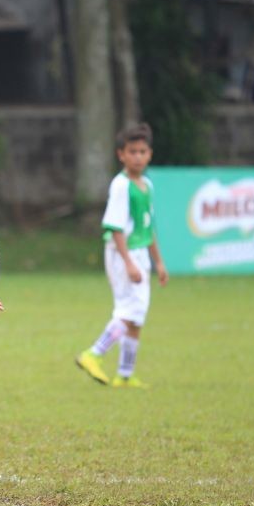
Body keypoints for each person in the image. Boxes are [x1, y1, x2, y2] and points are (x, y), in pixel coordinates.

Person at [75, 122, 168, 389]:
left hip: (139, 253)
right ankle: (93, 354)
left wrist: (158, 262)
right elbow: (115, 227)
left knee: (137, 315)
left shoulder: (146, 185)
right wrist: (128, 262)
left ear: (149, 153)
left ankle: (125, 375)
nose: (138, 156)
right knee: (130, 310)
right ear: (121, 155)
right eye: (132, 151)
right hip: (123, 253)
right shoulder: (120, 185)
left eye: (142, 151)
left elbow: (148, 227)